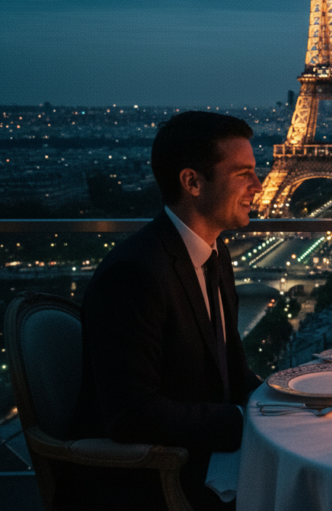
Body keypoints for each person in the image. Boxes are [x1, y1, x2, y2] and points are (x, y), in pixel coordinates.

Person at [63, 111, 264, 510]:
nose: (258, 186)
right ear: (191, 182)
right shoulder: (135, 274)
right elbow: (132, 414)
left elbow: (233, 371)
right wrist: (247, 422)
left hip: (203, 455)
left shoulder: (214, 252)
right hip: (151, 482)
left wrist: (295, 399)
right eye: (243, 173)